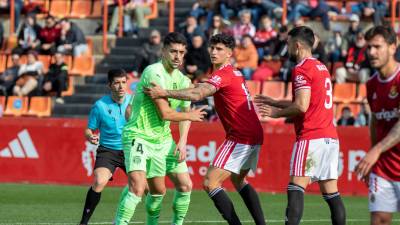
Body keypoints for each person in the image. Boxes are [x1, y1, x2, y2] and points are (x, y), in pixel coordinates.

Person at [145, 33, 266, 225]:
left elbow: (198, 94)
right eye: (212, 48)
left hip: (241, 136)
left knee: (210, 183)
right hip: (254, 133)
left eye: (219, 49)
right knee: (238, 180)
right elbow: (201, 88)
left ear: (229, 54)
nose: (214, 52)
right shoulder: (234, 73)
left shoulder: (223, 74)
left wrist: (164, 92)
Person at [254, 26, 346, 225]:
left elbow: (301, 106)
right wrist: (275, 101)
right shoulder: (321, 67)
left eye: (287, 44)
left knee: (296, 187)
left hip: (311, 137)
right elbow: (309, 102)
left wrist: (275, 113)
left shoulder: (302, 68)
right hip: (330, 138)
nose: (287, 48)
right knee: (332, 193)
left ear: (296, 45)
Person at [113, 32, 207, 225]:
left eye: (181, 52)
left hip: (162, 140)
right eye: (173, 51)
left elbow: (185, 112)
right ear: (163, 51)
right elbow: (166, 113)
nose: (177, 56)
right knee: (138, 188)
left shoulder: (183, 80)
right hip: (138, 135)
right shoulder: (153, 72)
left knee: (179, 186)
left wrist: (182, 142)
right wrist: (191, 115)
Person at [355, 25, 400, 225]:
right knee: (379, 221)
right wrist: (375, 156)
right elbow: (375, 119)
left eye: (377, 47)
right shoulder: (371, 83)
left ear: (393, 46)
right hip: (383, 167)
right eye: (369, 47)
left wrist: (376, 150)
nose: (371, 52)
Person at [78, 69, 131, 225]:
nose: (121, 86)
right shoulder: (100, 105)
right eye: (117, 83)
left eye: (124, 82)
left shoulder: (135, 101)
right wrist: (90, 136)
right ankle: (83, 222)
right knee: (100, 181)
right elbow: (89, 129)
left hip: (131, 149)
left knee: (146, 188)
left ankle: (119, 219)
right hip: (108, 150)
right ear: (109, 85)